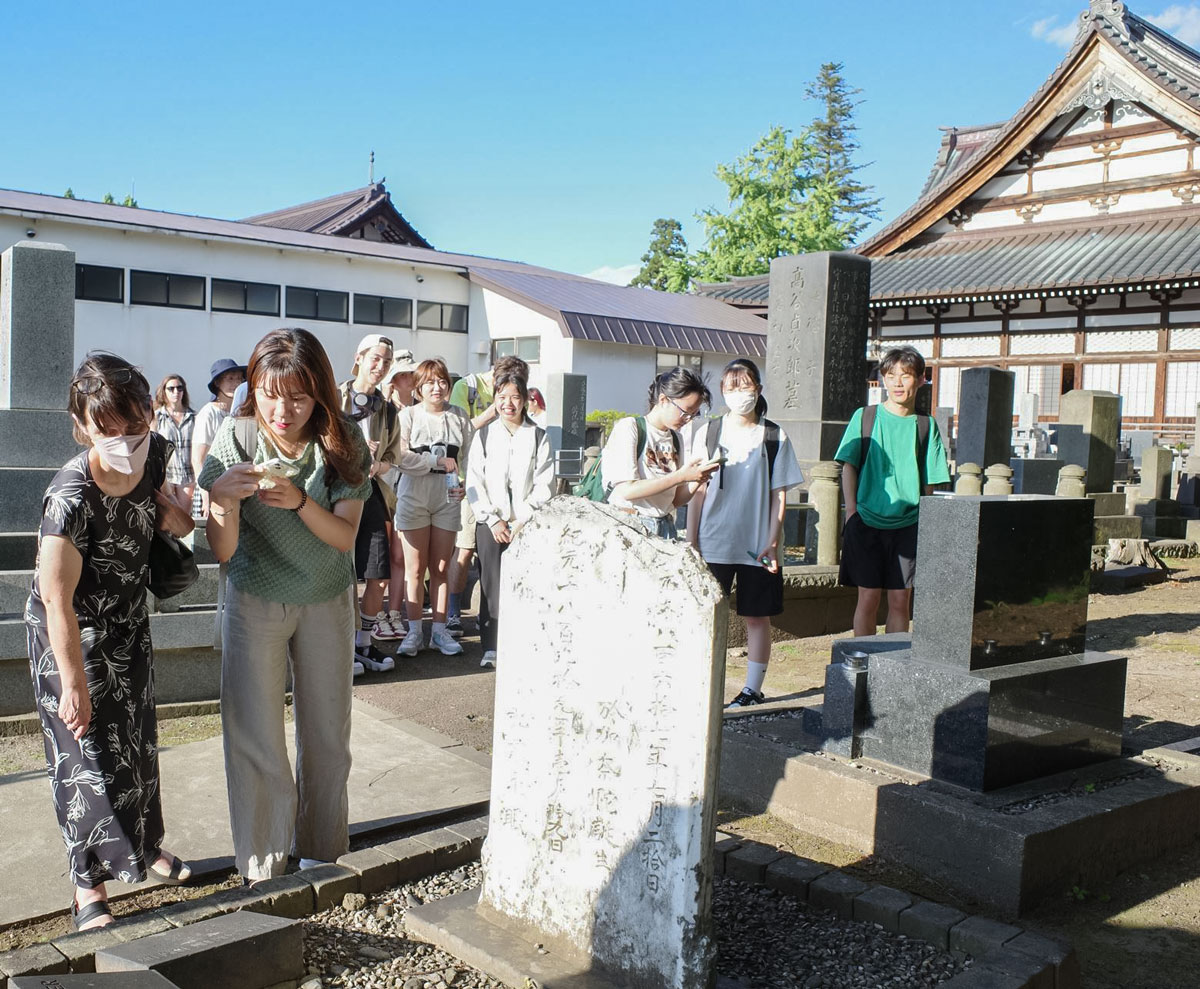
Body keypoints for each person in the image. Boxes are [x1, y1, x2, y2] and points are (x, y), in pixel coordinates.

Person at [26, 353, 195, 931]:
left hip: (128, 623)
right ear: (82, 427)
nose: (124, 440)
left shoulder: (155, 454)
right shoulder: (68, 497)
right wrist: (71, 681)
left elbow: (175, 521)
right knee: (85, 757)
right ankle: (87, 885)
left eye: (135, 426)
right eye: (107, 430)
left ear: (150, 413)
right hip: (71, 633)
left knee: (137, 745)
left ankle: (145, 847)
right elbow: (56, 598)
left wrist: (178, 517)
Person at [198, 328, 372, 881]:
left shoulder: (342, 438)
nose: (282, 409)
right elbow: (222, 549)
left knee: (327, 734)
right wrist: (222, 500)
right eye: (269, 393)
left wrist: (298, 500)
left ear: (320, 390)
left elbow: (345, 537)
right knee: (255, 735)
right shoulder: (238, 437)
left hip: (326, 596)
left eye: (297, 396)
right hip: (255, 596)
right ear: (253, 388)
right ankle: (263, 864)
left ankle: (322, 849)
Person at [686, 359, 805, 706]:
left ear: (758, 390)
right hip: (712, 540)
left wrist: (772, 540)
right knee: (707, 616)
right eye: (732, 387)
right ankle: (703, 688)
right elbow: (698, 489)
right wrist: (692, 539)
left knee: (757, 616)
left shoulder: (774, 435)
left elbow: (778, 493)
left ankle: (752, 688)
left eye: (746, 386)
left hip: (757, 545)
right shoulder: (708, 432)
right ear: (723, 392)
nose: (740, 394)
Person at [834, 345, 950, 637]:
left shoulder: (926, 425)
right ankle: (863, 663)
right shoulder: (865, 417)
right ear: (883, 379)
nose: (898, 382)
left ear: (921, 379)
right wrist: (851, 512)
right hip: (866, 519)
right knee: (868, 598)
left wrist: (928, 522)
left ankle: (894, 667)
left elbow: (930, 481)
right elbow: (849, 465)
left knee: (901, 601)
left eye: (906, 375)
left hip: (909, 523)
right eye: (891, 375)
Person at [465, 370, 553, 669]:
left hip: (526, 524)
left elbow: (545, 485)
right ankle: (490, 646)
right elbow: (474, 483)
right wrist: (492, 520)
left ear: (526, 399)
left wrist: (520, 521)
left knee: (526, 582)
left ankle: (521, 642)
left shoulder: (539, 436)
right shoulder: (485, 435)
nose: (508, 404)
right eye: (502, 398)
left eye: (515, 397)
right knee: (491, 584)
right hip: (491, 524)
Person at [445, 355, 529, 637]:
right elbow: (458, 430)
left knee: (500, 556)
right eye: (503, 388)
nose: (510, 398)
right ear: (494, 377)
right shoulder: (466, 388)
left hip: (511, 491)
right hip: (472, 482)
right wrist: (494, 410)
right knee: (466, 548)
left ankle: (498, 616)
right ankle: (453, 612)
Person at [394, 358, 472, 657]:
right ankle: (414, 631)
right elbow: (399, 456)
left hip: (447, 497)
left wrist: (467, 483)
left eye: (441, 382)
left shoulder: (459, 417)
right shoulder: (408, 416)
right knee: (414, 569)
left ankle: (439, 631)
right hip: (414, 494)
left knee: (440, 567)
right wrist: (434, 462)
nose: (436, 388)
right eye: (429, 383)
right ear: (418, 388)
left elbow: (470, 458)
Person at [338, 334, 403, 676]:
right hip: (336, 490)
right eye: (375, 359)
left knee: (377, 574)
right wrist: (353, 446)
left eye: (386, 362)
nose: (380, 367)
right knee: (344, 573)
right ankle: (344, 645)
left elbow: (393, 456)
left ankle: (364, 642)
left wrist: (377, 464)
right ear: (359, 357)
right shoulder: (334, 397)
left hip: (372, 491)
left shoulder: (389, 409)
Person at [601, 367, 720, 538]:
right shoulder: (630, 428)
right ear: (663, 400)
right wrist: (680, 476)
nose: (688, 420)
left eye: (694, 415)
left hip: (665, 525)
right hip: (629, 524)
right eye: (685, 412)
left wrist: (697, 479)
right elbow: (627, 490)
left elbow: (675, 500)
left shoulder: (675, 438)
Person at [380, 349, 418, 640]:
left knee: (400, 555)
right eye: (403, 374)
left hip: (411, 490)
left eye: (411, 374)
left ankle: (394, 613)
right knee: (382, 554)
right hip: (383, 487)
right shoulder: (381, 408)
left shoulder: (421, 409)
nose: (409, 379)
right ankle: (378, 614)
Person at [191, 358, 246, 518]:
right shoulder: (208, 413)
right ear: (217, 383)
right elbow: (197, 459)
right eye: (230, 378)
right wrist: (206, 496)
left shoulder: (238, 412)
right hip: (210, 487)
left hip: (234, 486)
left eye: (238, 378)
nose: (235, 383)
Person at [153, 373, 197, 510]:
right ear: (164, 391)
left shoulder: (194, 417)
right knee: (168, 517)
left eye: (179, 388)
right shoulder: (157, 416)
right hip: (166, 474)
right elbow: (152, 445)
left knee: (183, 518)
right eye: (171, 388)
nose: (176, 392)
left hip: (187, 474)